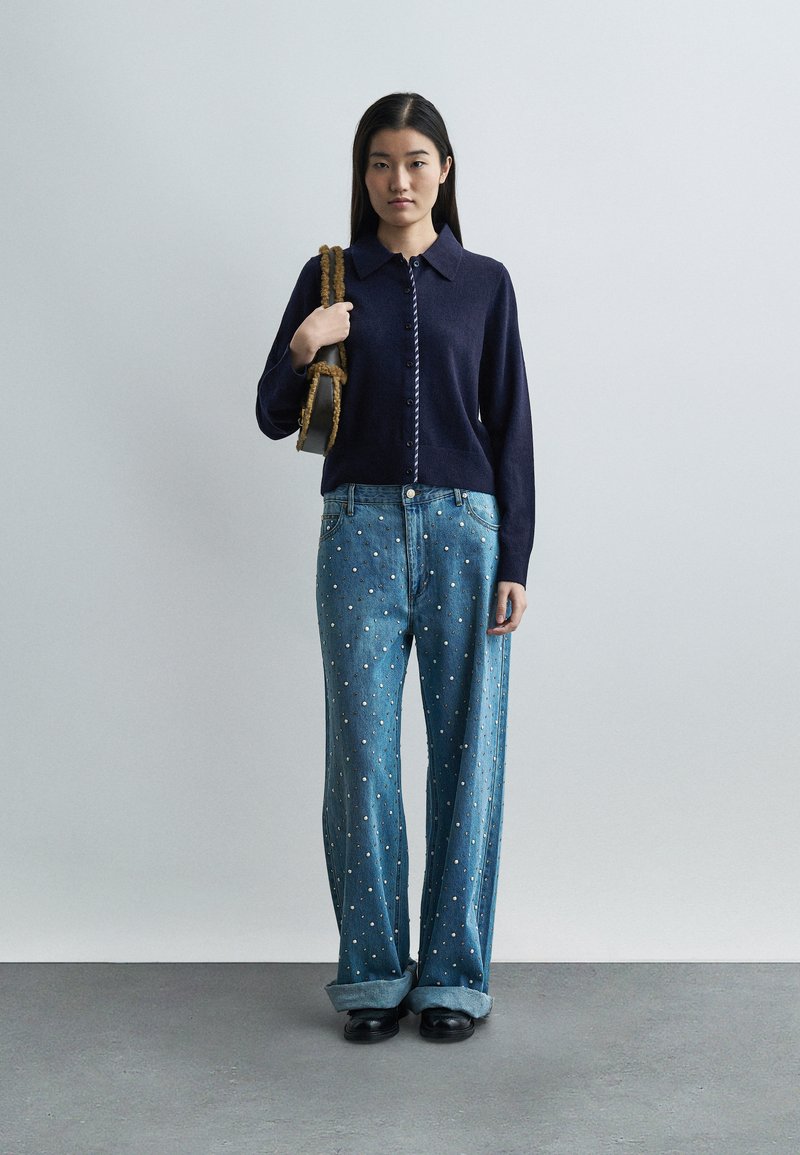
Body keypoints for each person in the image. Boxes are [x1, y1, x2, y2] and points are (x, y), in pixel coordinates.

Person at [256, 93, 534, 1044]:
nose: (398, 180)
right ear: (363, 174)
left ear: (444, 170)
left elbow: (511, 423)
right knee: (363, 757)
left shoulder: (484, 283)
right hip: (359, 534)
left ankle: (453, 978)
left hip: (465, 533)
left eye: (416, 161)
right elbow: (272, 413)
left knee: (468, 757)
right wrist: (306, 345)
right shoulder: (330, 277)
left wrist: (516, 556)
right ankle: (374, 973)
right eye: (380, 162)